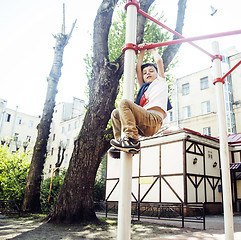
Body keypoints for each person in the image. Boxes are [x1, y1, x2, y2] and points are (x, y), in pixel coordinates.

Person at [109, 44, 171, 157]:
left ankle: (132, 140)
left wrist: (152, 50)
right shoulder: (143, 88)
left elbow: (159, 62)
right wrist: (141, 52)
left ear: (157, 74)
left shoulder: (160, 82)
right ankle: (121, 144)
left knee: (124, 103)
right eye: (145, 72)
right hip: (143, 124)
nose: (148, 73)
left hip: (154, 119)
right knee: (116, 113)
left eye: (151, 71)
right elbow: (138, 69)